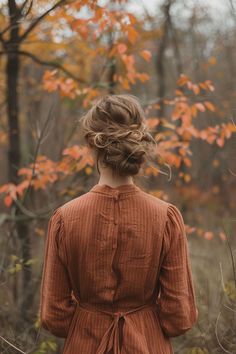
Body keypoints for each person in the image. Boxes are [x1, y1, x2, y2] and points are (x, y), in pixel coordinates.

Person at [39, 94, 198, 354]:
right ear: (138, 143)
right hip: (148, 345)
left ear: (92, 143)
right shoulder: (166, 218)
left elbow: (53, 316)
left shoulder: (65, 219)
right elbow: (178, 317)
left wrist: (89, 324)